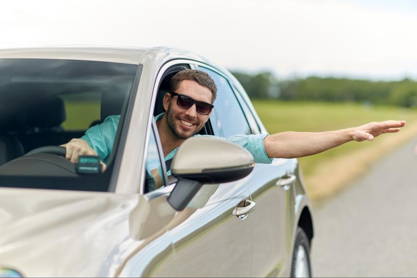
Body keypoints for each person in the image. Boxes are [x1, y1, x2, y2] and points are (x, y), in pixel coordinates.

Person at [62, 70, 406, 182]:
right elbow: (90, 149)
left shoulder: (211, 148)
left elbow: (277, 143)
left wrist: (348, 134)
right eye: (184, 102)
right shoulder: (123, 128)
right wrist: (82, 151)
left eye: (203, 107)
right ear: (167, 102)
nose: (192, 113)